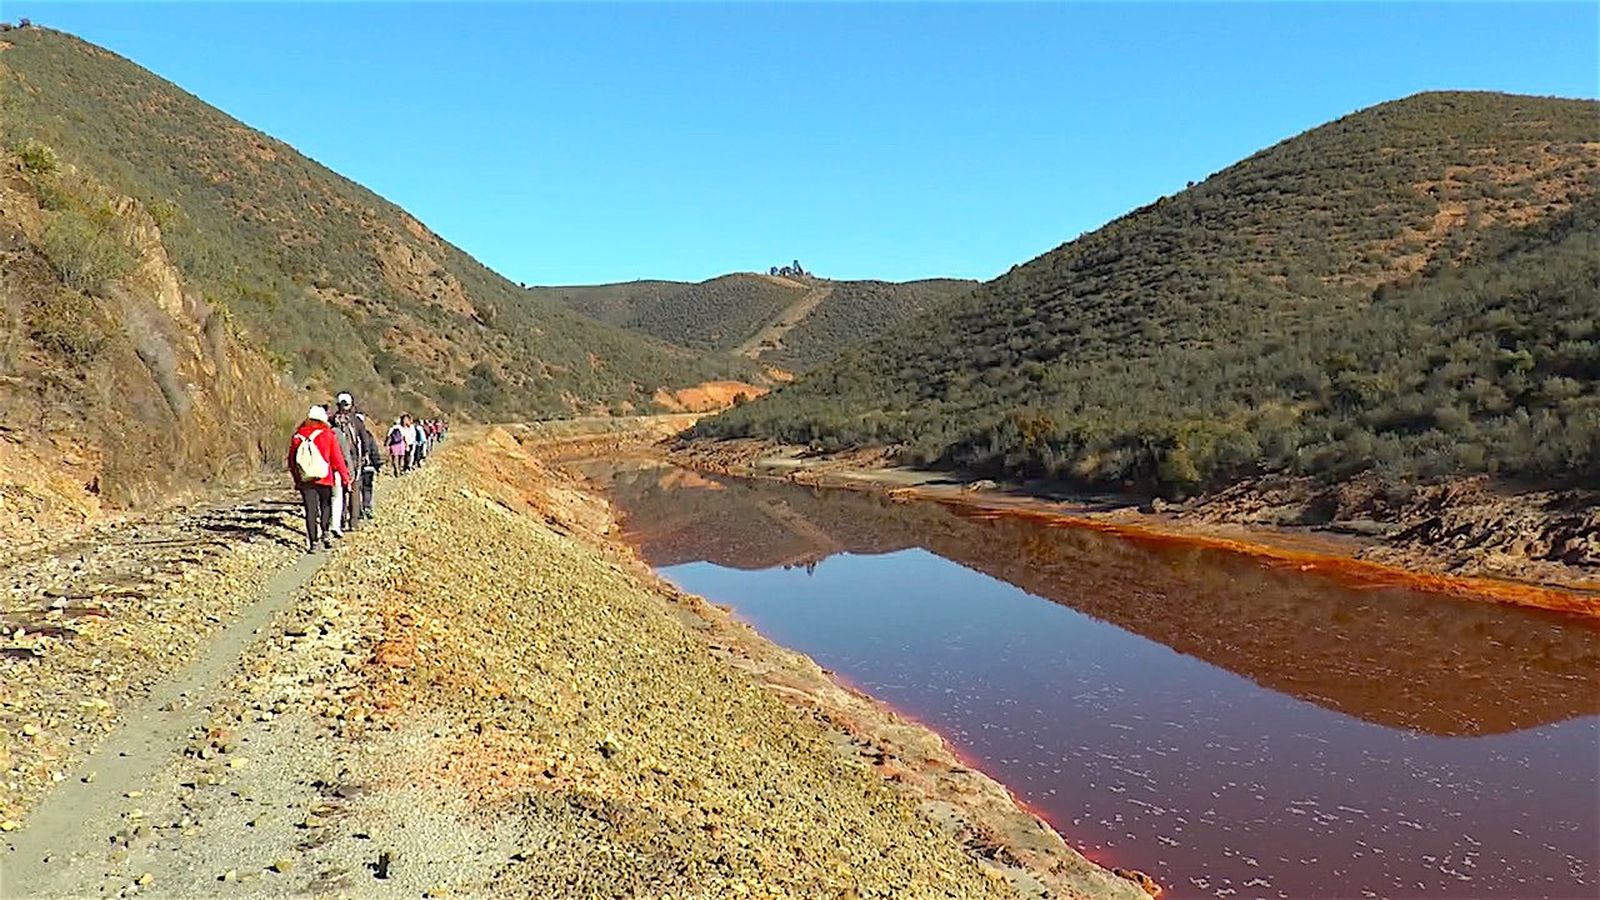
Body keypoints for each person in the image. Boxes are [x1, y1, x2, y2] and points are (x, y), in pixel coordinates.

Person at [287, 405, 351, 553]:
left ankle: (313, 542)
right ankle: (326, 532)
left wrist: (297, 479)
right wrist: (345, 479)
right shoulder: (328, 435)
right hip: (324, 478)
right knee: (325, 506)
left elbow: (292, 461)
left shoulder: (298, 436)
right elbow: (337, 459)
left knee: (311, 511)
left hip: (306, 480)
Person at [329, 393, 366, 533]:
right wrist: (366, 455)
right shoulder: (356, 420)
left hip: (336, 459)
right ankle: (353, 521)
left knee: (340, 490)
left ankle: (342, 520)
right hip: (353, 459)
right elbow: (364, 439)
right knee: (354, 490)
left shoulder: (332, 420)